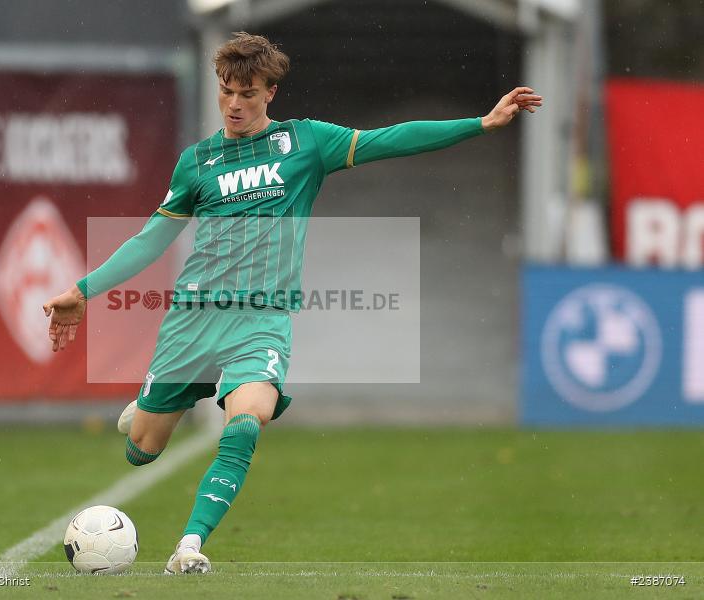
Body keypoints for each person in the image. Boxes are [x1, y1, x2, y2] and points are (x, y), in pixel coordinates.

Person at [44, 32, 542, 574]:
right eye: (227, 92)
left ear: (271, 93)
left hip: (261, 320)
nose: (235, 104)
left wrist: (481, 123)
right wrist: (82, 291)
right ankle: (144, 410)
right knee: (143, 450)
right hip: (193, 320)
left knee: (245, 421)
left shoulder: (306, 143)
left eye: (248, 93)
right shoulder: (196, 162)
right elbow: (149, 240)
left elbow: (391, 138)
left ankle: (190, 546)